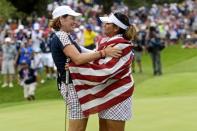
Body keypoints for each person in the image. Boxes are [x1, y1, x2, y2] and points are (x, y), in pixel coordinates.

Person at [50, 6, 122, 131]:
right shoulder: (61, 36)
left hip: (76, 84)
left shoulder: (66, 36)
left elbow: (86, 53)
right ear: (61, 19)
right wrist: (103, 53)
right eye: (71, 18)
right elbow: (78, 58)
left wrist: (103, 51)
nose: (75, 21)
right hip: (71, 85)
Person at [68, 13, 136, 131]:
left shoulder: (121, 45)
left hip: (118, 93)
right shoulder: (105, 42)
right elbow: (93, 54)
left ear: (116, 28)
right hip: (107, 92)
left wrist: (73, 66)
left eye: (108, 23)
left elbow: (105, 70)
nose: (104, 25)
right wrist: (73, 48)